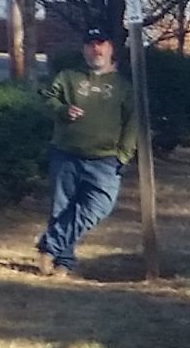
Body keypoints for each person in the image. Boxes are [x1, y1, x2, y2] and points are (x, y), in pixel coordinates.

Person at [35, 29, 137, 278]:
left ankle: (49, 246)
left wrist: (122, 155)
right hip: (66, 153)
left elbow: (133, 123)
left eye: (100, 44)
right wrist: (62, 110)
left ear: (111, 48)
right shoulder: (69, 77)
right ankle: (63, 263)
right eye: (90, 45)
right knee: (62, 209)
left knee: (99, 206)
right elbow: (47, 98)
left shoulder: (123, 87)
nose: (96, 50)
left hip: (105, 160)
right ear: (84, 50)